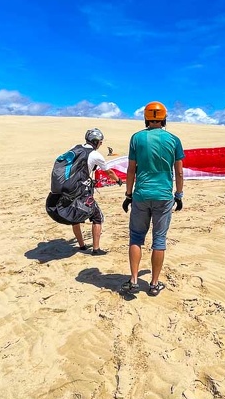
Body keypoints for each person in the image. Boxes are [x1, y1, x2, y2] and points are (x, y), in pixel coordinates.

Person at [121, 101, 184, 296]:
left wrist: (128, 194)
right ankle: (154, 284)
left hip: (141, 194)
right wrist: (179, 195)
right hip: (164, 196)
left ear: (146, 118)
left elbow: (131, 170)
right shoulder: (174, 140)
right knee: (159, 240)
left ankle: (133, 280)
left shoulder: (137, 138)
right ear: (164, 118)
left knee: (136, 237)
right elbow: (179, 172)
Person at [71, 128, 122, 255]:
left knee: (75, 217)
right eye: (100, 141)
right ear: (95, 141)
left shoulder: (75, 148)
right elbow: (108, 172)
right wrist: (118, 180)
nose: (101, 144)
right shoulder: (95, 154)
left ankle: (82, 246)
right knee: (97, 216)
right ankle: (96, 249)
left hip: (69, 188)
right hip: (82, 190)